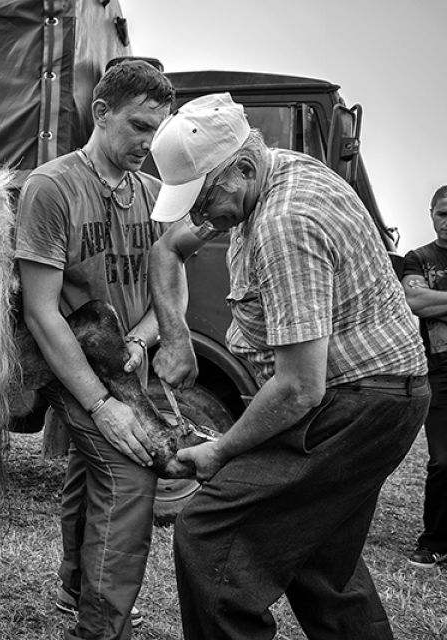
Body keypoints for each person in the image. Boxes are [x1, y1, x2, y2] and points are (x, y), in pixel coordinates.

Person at [147, 92, 429, 639]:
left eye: (202, 201)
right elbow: (167, 249)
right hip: (383, 393)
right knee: (319, 561)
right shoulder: (269, 173)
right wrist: (176, 336)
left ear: (243, 167)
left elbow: (300, 388)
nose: (199, 218)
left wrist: (220, 452)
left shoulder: (285, 222)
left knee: (209, 536)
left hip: (358, 401)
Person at [14, 59, 174, 640]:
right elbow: (40, 312)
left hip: (125, 360)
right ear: (101, 113)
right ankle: (103, 628)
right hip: (67, 360)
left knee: (90, 468)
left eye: (158, 130)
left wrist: (141, 338)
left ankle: (75, 585)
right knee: (130, 472)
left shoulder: (153, 194)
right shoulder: (52, 187)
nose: (148, 143)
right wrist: (101, 405)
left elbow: (169, 290)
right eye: (139, 126)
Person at [401, 184, 447, 569]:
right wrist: (427, 302)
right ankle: (435, 542)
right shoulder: (418, 258)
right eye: (443, 214)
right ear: (431, 214)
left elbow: (429, 303)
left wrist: (438, 303)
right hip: (440, 372)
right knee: (442, 461)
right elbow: (415, 300)